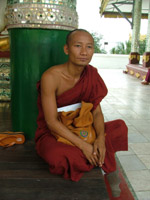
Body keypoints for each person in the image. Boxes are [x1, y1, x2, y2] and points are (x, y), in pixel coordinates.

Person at [35, 29, 128, 182]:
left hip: (84, 127)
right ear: (66, 49)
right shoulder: (51, 77)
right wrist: (83, 146)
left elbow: (96, 112)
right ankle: (94, 155)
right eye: (78, 46)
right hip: (57, 133)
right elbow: (51, 122)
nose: (84, 52)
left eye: (89, 47)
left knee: (120, 127)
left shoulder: (91, 75)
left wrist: (100, 139)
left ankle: (95, 152)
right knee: (57, 157)